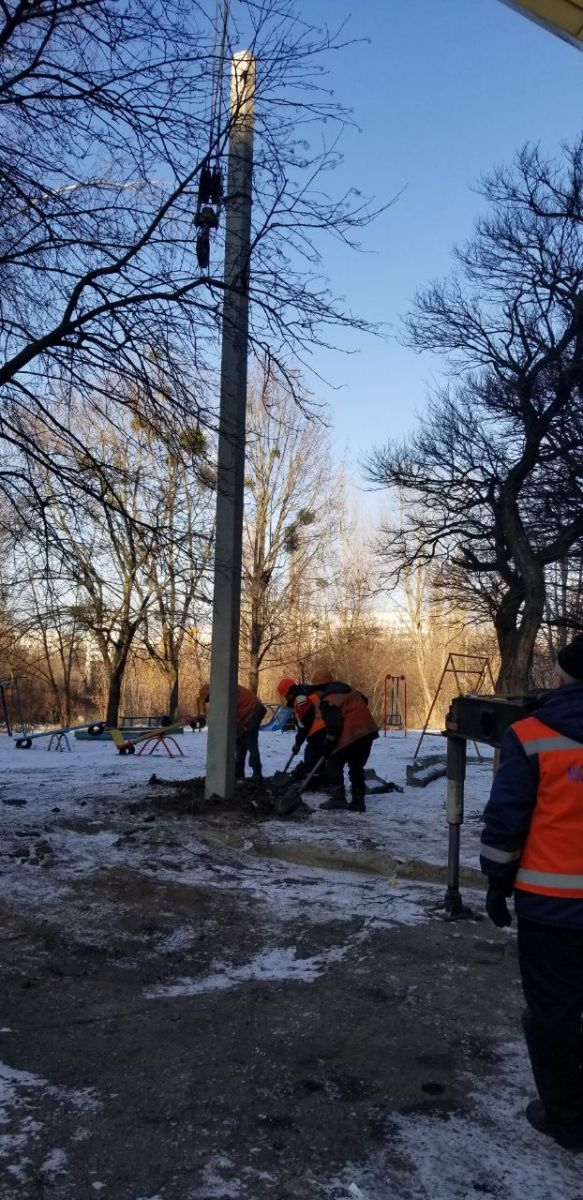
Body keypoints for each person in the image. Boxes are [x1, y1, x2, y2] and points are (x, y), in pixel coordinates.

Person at [480, 633, 583, 1153]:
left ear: (562, 676)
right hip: (554, 907)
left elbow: (506, 820)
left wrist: (497, 884)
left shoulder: (531, 734)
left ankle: (567, 1118)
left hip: (553, 910)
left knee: (556, 1015)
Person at [278, 676, 378, 812]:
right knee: (356, 766)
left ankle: (338, 799)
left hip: (351, 732)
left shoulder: (327, 700)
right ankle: (358, 802)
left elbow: (333, 727)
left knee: (334, 762)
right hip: (368, 730)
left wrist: (328, 745)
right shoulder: (345, 689)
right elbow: (364, 700)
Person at [199, 682, 266, 783]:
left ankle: (257, 774)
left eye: (208, 699)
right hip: (247, 712)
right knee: (240, 743)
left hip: (254, 711)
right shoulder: (223, 690)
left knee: (250, 743)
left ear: (211, 693)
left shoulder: (226, 694)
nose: (209, 701)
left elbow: (227, 716)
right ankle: (239, 774)